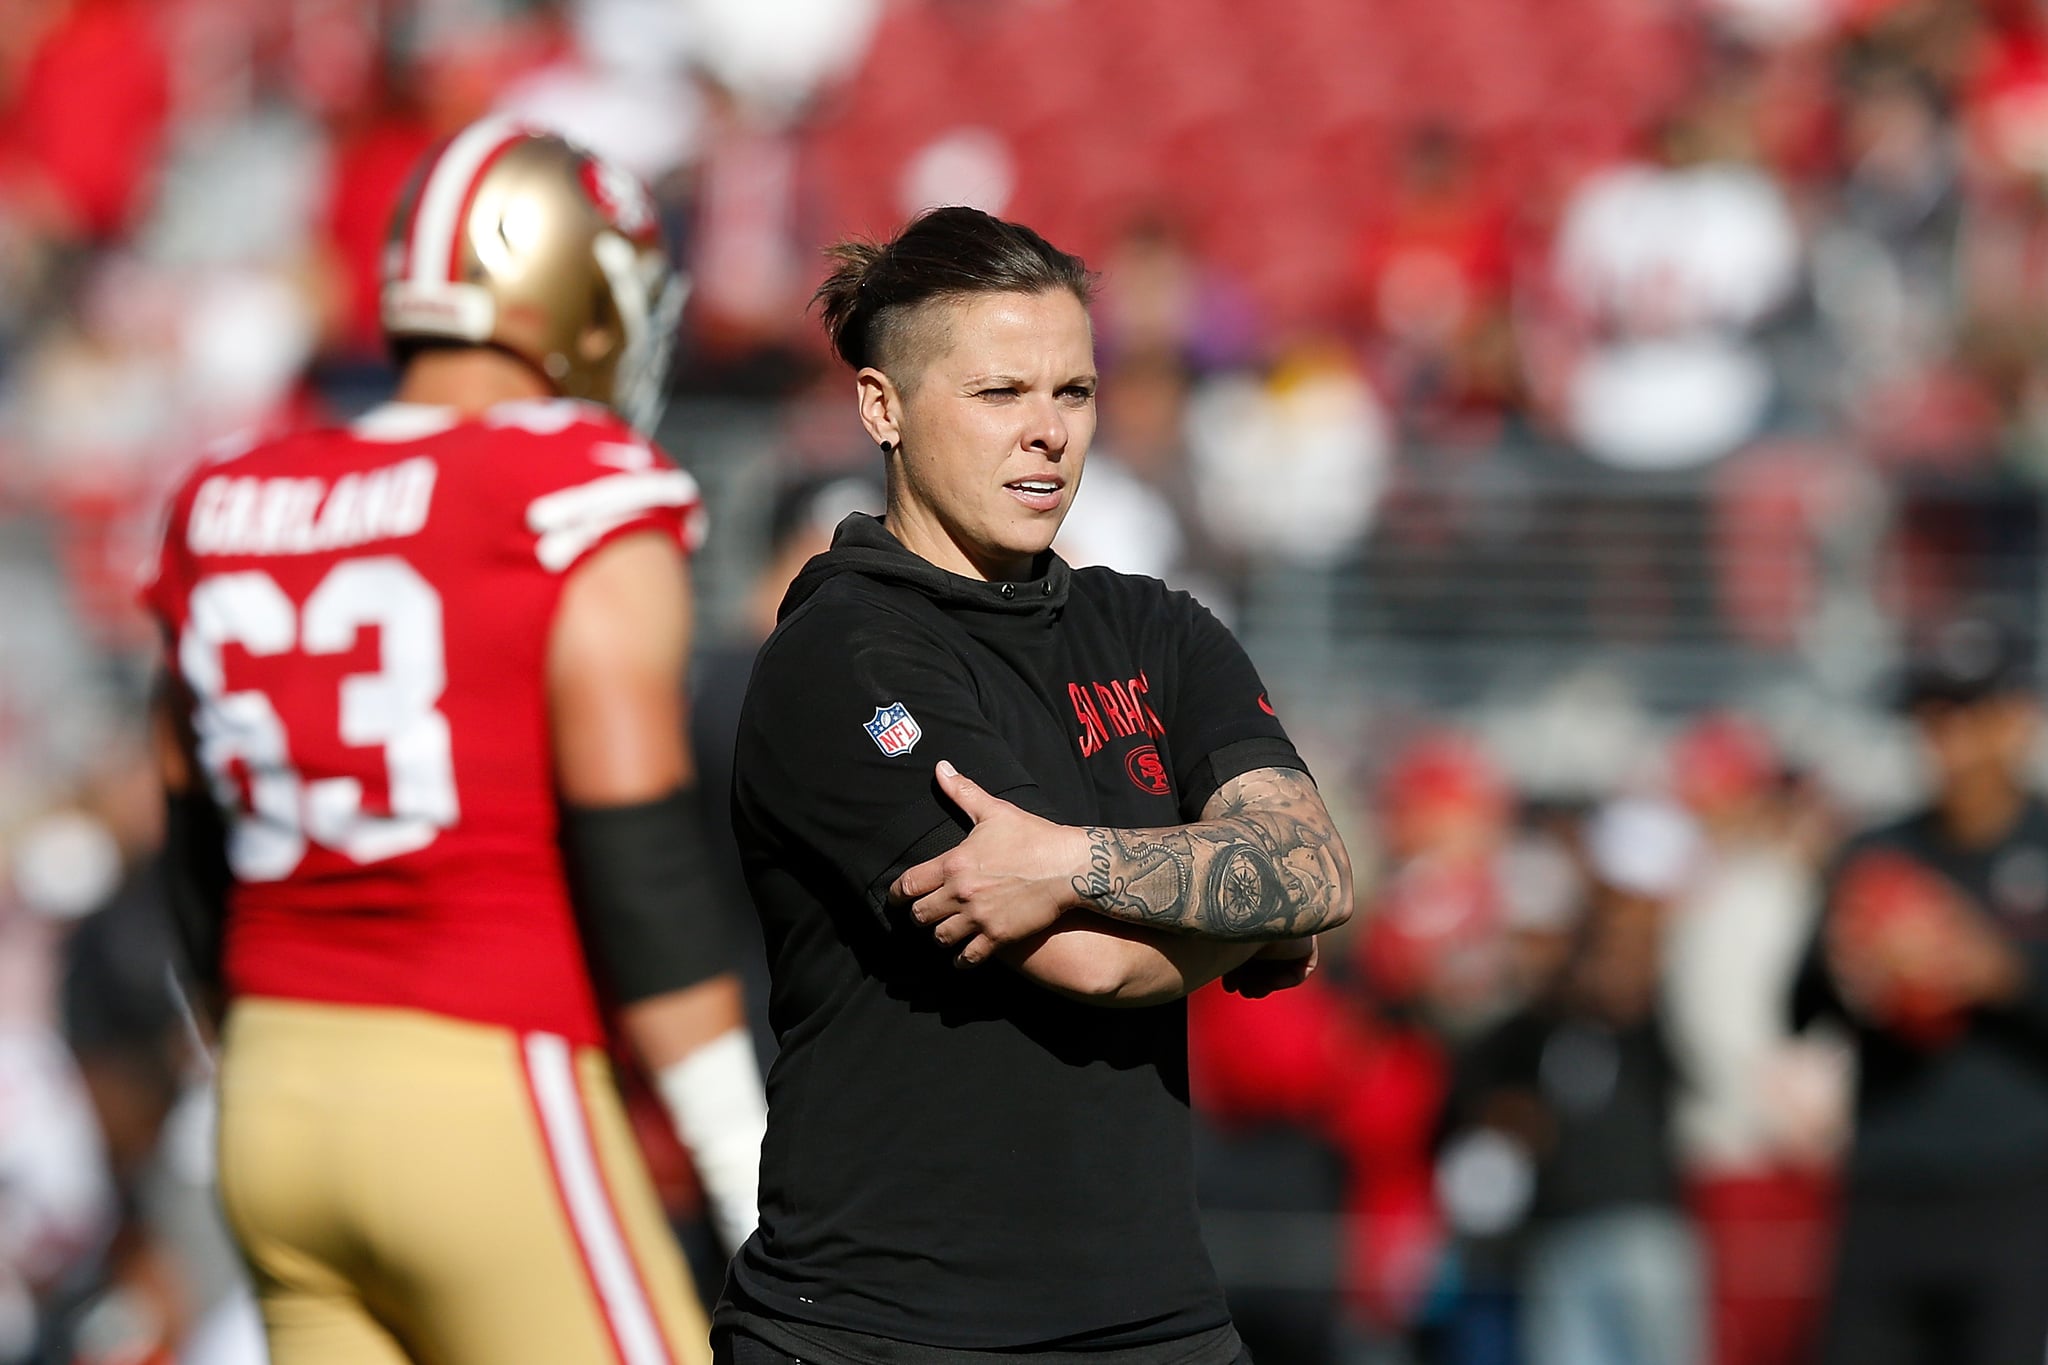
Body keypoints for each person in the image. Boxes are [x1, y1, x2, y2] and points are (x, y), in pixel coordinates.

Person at [140, 120, 766, 1365]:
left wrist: (264, 1042)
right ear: (571, 292)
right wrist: (745, 1170)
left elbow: (189, 833)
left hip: (268, 1093)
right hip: (480, 1081)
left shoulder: (229, 496)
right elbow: (639, 861)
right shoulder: (573, 483)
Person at [714, 207, 1354, 1365]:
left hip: (1154, 1321)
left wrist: (1070, 863)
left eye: (1073, 393)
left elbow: (1315, 867)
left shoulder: (1154, 624)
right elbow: (1094, 963)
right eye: (999, 395)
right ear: (881, 408)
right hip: (882, 1333)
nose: (1046, 435)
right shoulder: (843, 655)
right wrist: (1240, 916)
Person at [1792, 618, 2048, 1365]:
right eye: (1932, 718)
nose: (1949, 742)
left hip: (2015, 1185)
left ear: (2016, 719)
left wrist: (2002, 972)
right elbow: (1798, 1007)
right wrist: (1849, 976)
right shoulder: (1877, 853)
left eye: (1968, 714)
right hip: (1888, 1184)